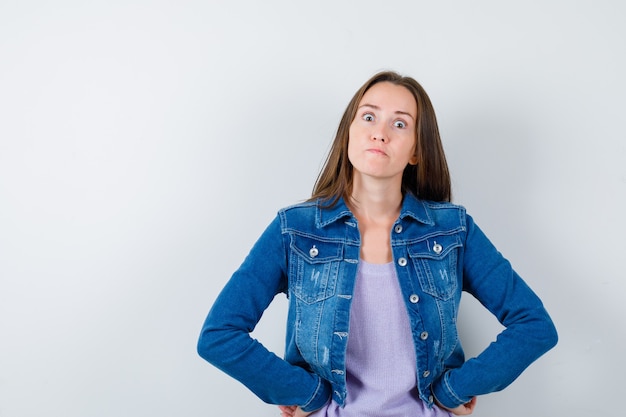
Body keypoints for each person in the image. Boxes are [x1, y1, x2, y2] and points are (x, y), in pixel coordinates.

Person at [197, 71, 558, 416]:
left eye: (399, 124)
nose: (380, 133)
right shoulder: (295, 230)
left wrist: (455, 389)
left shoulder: (453, 230)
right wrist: (303, 392)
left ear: (416, 150)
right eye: (368, 117)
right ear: (348, 133)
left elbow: (534, 326)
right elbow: (220, 335)